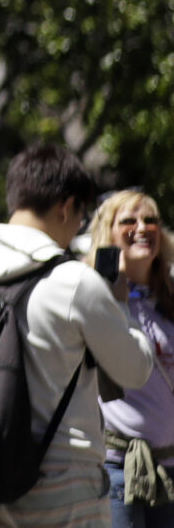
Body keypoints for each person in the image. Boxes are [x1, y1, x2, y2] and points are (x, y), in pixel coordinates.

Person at [0, 147, 154, 528]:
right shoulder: (74, 282)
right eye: (80, 215)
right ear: (66, 207)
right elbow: (135, 369)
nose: (78, 227)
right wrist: (121, 304)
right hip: (65, 487)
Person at [90, 190, 174, 528]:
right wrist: (114, 290)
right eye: (128, 220)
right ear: (108, 233)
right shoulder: (91, 292)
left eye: (150, 220)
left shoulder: (170, 294)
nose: (142, 228)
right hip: (117, 466)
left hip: (169, 464)